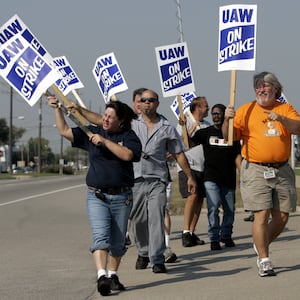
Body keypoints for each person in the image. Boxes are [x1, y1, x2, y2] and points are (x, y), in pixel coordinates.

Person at [47, 96, 142, 296]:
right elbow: (64, 131)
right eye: (104, 115)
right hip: (97, 196)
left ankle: (113, 275)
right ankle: (101, 276)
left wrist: (105, 142)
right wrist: (57, 109)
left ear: (121, 121)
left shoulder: (129, 136)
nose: (105, 119)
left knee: (118, 243)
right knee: (100, 237)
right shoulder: (92, 132)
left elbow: (127, 155)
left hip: (121, 197)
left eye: (110, 117)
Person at [222, 71, 300, 277]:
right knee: (261, 214)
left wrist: (282, 119)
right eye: (258, 86)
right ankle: (264, 259)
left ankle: (261, 243)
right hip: (255, 169)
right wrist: (227, 121)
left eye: (266, 86)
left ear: (276, 88)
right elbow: (229, 137)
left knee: (282, 216)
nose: (262, 89)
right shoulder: (246, 110)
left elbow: (298, 128)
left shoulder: (286, 108)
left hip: (282, 169)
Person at [130, 89, 196, 273]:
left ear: (157, 103)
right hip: (135, 179)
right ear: (139, 104)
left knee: (156, 217)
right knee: (140, 219)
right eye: (144, 100)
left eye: (151, 100)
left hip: (157, 180)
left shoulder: (167, 127)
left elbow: (178, 153)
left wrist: (190, 176)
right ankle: (143, 252)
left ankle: (157, 258)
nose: (147, 103)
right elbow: (104, 122)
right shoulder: (131, 124)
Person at [192, 104, 241, 251]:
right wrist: (184, 125)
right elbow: (188, 141)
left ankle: (226, 235)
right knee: (213, 208)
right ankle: (214, 238)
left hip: (229, 178)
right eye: (213, 113)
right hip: (211, 177)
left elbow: (238, 156)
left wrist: (243, 175)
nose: (216, 116)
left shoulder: (232, 136)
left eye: (219, 113)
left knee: (229, 210)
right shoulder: (206, 132)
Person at [176, 97, 211, 247]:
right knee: (193, 195)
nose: (208, 108)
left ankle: (191, 232)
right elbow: (182, 143)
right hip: (188, 166)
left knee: (199, 199)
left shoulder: (207, 125)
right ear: (197, 107)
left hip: (203, 167)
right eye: (205, 106)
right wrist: (190, 128)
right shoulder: (184, 123)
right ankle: (185, 231)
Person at [125, 87, 147, 246]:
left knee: (156, 212)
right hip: (132, 175)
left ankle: (160, 247)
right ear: (134, 103)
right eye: (140, 101)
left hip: (152, 176)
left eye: (147, 101)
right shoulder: (126, 122)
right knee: (132, 212)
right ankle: (126, 235)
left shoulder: (156, 121)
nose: (143, 104)